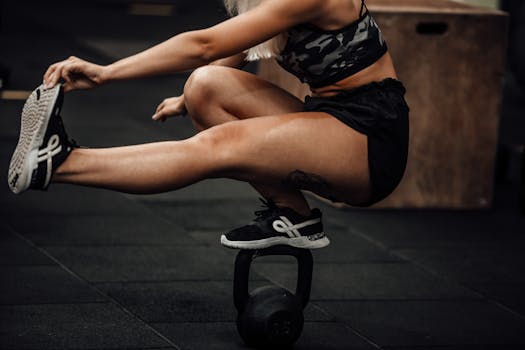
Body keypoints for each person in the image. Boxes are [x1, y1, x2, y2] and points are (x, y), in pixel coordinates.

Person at [8, 0, 409, 250]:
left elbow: (206, 44)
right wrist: (189, 99)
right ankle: (294, 216)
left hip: (370, 139)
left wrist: (107, 73)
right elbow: (232, 52)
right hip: (330, 117)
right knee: (205, 85)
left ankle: (60, 164)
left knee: (219, 146)